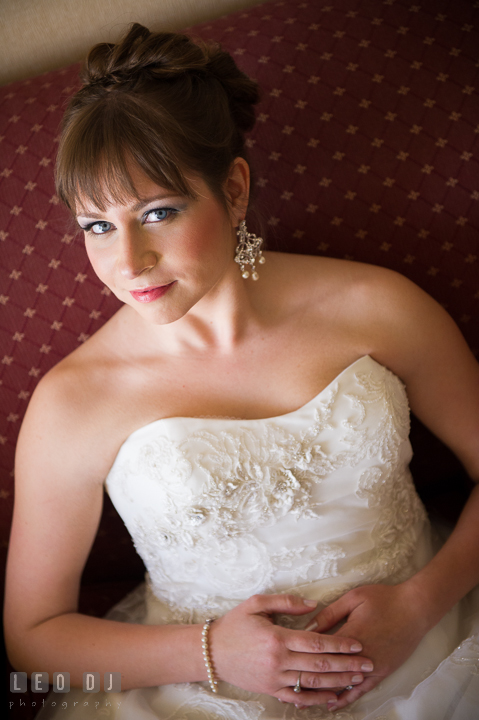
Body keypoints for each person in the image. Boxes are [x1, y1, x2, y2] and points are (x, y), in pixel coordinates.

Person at [4, 23, 479, 720]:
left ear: (232, 189)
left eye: (157, 213)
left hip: (433, 646)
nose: (126, 261)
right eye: (96, 225)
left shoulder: (378, 305)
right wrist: (210, 652)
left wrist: (418, 602)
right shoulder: (73, 401)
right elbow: (32, 639)